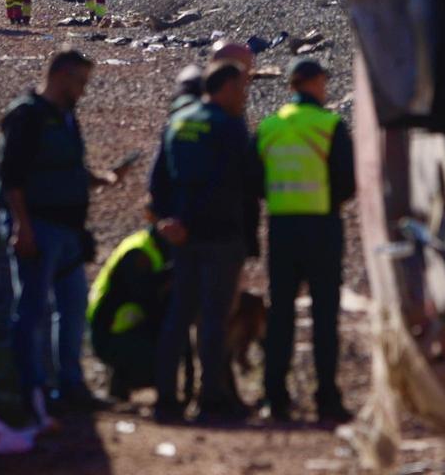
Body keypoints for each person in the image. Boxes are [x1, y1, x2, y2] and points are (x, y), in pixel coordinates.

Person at [0, 48, 130, 420]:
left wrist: (101, 179)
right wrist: (22, 226)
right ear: (60, 75)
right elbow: (12, 177)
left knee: (72, 309)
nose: (84, 90)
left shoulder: (66, 115)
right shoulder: (26, 116)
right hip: (38, 226)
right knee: (33, 310)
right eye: (80, 82)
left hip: (70, 231)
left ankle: (70, 385)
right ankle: (32, 390)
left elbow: (70, 164)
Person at [149, 60, 260, 423]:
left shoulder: (178, 121)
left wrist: (169, 222)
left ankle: (165, 397)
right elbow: (243, 183)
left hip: (182, 237)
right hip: (220, 235)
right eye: (241, 88)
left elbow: (157, 183)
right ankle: (211, 399)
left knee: (178, 315)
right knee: (213, 319)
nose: (244, 96)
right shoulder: (228, 127)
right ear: (225, 87)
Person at [258, 57, 355, 424]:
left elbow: (256, 179)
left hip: (282, 228)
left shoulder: (269, 126)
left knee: (280, 314)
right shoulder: (330, 125)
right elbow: (347, 181)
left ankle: (274, 398)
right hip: (323, 228)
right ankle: (326, 398)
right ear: (314, 83)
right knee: (324, 316)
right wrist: (326, 203)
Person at [86, 204, 172, 401]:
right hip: (110, 331)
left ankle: (122, 379)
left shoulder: (161, 247)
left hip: (125, 325)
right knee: (164, 342)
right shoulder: (138, 251)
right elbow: (145, 296)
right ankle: (124, 379)